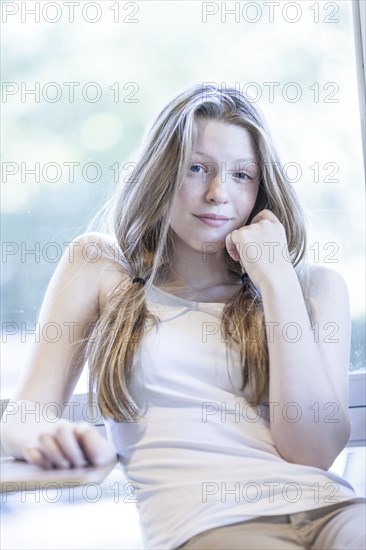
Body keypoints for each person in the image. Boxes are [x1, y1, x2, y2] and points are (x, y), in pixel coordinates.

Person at [1, 83, 365, 550]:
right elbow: (25, 415)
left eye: (242, 175)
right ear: (160, 175)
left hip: (333, 509)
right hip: (207, 527)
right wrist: (56, 439)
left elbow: (312, 453)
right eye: (197, 169)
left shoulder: (313, 287)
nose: (218, 193)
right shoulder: (99, 268)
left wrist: (275, 281)